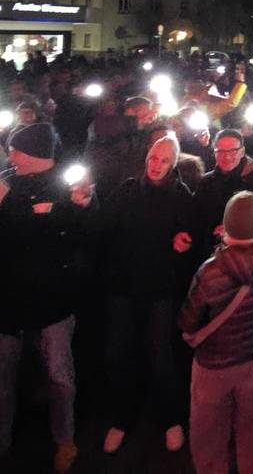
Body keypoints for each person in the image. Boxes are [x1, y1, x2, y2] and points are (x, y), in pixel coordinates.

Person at [0, 123, 97, 474]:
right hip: (7, 301)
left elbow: (87, 237)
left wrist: (83, 207)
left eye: (17, 150)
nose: (10, 156)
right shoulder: (2, 182)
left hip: (53, 300)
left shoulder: (66, 183)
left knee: (60, 376)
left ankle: (65, 440)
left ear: (36, 154)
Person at [99, 133, 198, 454]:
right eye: (154, 159)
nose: (156, 166)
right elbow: (103, 227)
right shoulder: (127, 190)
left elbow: (191, 235)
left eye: (164, 161)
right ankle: (121, 418)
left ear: (173, 164)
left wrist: (185, 242)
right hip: (124, 286)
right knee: (120, 353)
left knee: (160, 354)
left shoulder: (182, 196)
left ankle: (170, 418)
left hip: (160, 288)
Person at [178, 191, 253, 474]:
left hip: (214, 364)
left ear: (226, 225)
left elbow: (189, 321)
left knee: (209, 436)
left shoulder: (211, 271)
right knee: (251, 426)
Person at [195, 129, 253, 258]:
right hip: (212, 253)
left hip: (249, 255)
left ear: (242, 152)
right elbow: (195, 215)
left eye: (232, 151)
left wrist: (238, 232)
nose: (226, 156)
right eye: (220, 151)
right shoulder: (207, 182)